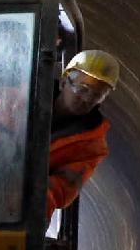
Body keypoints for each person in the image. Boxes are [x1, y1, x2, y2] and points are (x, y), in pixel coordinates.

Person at [48, 48, 121, 210]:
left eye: (96, 95)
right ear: (63, 82)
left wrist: (21, 193)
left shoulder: (91, 146)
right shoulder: (17, 99)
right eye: (82, 89)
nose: (87, 99)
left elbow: (61, 189)